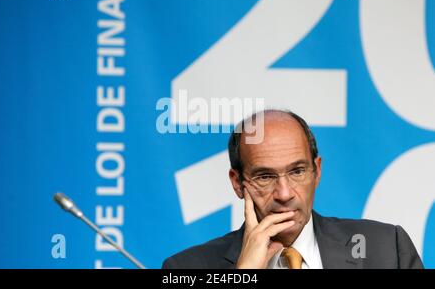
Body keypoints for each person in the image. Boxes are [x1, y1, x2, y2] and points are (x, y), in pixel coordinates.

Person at [162, 109, 424, 269]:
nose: (285, 194)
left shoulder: (386, 248)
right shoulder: (186, 268)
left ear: (317, 171)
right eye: (265, 177)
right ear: (237, 183)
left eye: (297, 171)